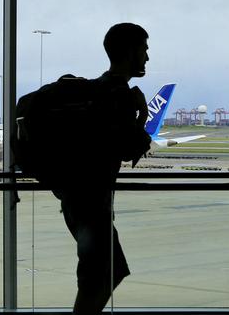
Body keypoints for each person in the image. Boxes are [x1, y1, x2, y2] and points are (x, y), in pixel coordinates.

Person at [52, 23, 152, 314]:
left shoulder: (98, 89)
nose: (147, 58)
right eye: (143, 50)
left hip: (77, 200)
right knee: (101, 278)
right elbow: (130, 148)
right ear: (129, 52)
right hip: (90, 203)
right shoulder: (117, 95)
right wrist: (142, 113)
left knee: (101, 275)